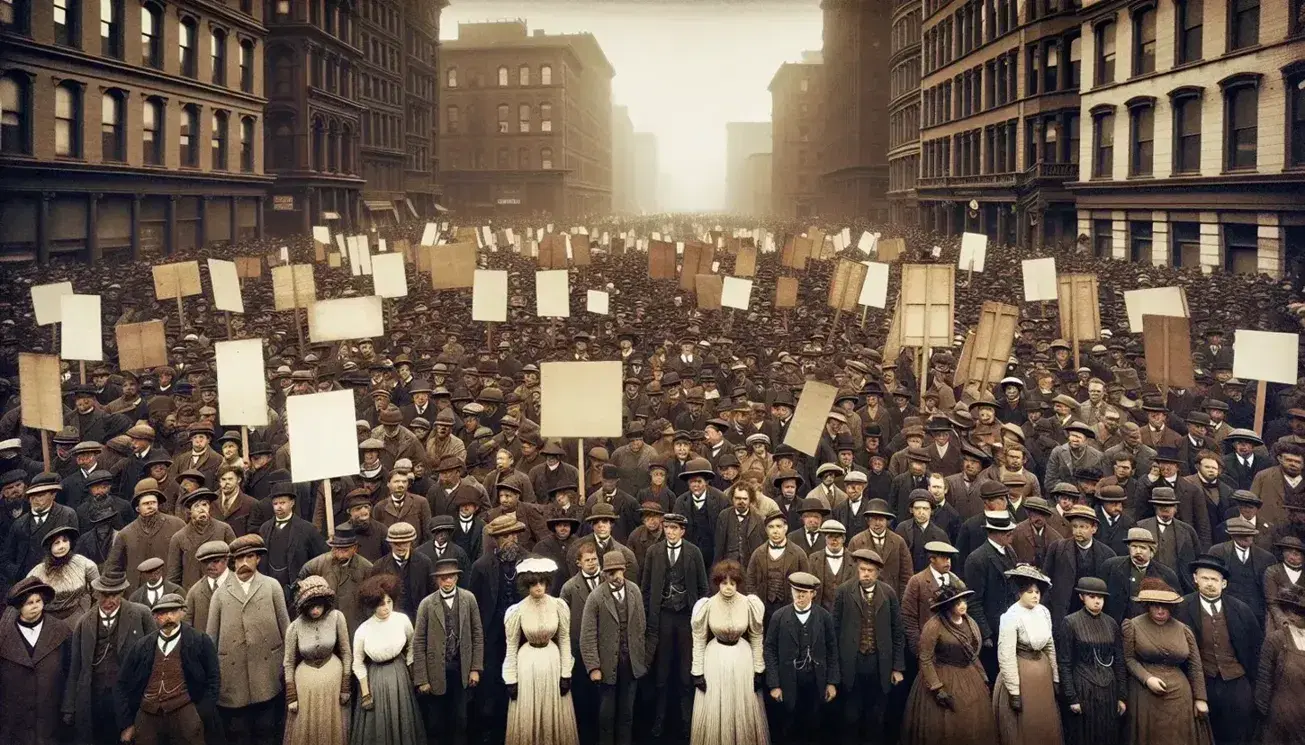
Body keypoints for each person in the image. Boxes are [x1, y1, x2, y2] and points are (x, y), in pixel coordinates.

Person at [207, 534, 291, 745]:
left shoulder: (272, 586)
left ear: (258, 559)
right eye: (239, 558)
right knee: (238, 733)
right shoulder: (220, 594)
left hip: (268, 675)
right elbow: (211, 638)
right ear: (233, 562)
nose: (244, 563)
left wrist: (286, 666)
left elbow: (287, 630)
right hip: (232, 678)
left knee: (267, 731)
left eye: (250, 557)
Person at [62, 570, 156, 745]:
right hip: (94, 699)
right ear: (96, 594)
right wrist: (69, 707)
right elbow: (75, 667)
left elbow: (155, 659)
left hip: (129, 698)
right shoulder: (84, 622)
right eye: (104, 595)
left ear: (122, 592)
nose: (109, 601)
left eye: (114, 594)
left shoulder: (141, 615)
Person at [1175, 554, 1261, 745]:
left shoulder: (1242, 610)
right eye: (1205, 578)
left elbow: (1256, 650)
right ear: (1195, 579)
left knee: (1238, 735)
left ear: (1224, 584)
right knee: (1203, 735)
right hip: (1202, 683)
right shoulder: (1181, 608)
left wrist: (1251, 685)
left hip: (1237, 683)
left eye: (1215, 579)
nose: (1210, 584)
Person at [115, 593, 222, 745]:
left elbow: (214, 679)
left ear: (182, 613)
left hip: (185, 712)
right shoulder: (142, 646)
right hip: (147, 715)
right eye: (162, 613)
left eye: (173, 612)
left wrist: (199, 714)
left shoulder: (199, 641)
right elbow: (122, 683)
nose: (168, 617)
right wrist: (127, 722)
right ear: (155, 617)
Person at [640, 511, 709, 741]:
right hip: (662, 619)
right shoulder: (653, 552)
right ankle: (659, 721)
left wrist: (697, 618)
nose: (669, 531)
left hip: (686, 620)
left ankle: (688, 722)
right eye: (667, 527)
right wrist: (651, 618)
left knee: (685, 671)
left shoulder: (694, 553)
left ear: (682, 531)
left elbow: (702, 590)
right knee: (661, 672)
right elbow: (646, 588)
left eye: (674, 528)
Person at [901, 584, 996, 745]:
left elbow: (972, 654)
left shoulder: (969, 622)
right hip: (942, 673)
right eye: (957, 602)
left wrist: (983, 676)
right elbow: (925, 658)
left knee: (973, 717)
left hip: (968, 674)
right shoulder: (934, 625)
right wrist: (937, 687)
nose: (963, 605)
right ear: (947, 605)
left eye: (964, 601)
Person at [689, 558, 769, 745]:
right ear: (718, 583)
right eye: (724, 583)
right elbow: (699, 639)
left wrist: (758, 669)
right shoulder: (707, 605)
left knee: (741, 708)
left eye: (733, 583)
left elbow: (757, 637)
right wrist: (698, 672)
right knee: (718, 708)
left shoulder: (749, 603)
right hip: (715, 659)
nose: (728, 588)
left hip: (742, 659)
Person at [1121, 578, 1209, 745]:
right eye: (1155, 605)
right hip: (1145, 693)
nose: (1160, 610)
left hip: (1179, 696)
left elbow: (1195, 666)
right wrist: (1147, 679)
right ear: (1147, 605)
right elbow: (1129, 659)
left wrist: (1200, 699)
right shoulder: (1132, 626)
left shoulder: (1183, 630)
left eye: (1165, 606)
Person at [503, 556, 579, 745]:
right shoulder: (517, 611)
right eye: (534, 583)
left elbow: (563, 638)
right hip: (528, 665)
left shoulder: (558, 605)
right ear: (526, 585)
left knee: (553, 713)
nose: (538, 587)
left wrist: (566, 673)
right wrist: (511, 678)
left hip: (552, 661)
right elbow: (511, 646)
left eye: (542, 582)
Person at [762, 571, 839, 745]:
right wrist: (774, 684)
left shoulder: (824, 617)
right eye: (796, 592)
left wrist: (832, 682)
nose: (800, 596)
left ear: (813, 594)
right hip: (788, 683)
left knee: (814, 728)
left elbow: (832, 650)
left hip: (815, 682)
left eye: (804, 593)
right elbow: (770, 650)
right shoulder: (779, 617)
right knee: (789, 729)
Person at [413, 558, 484, 745]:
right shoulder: (427, 604)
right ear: (437, 580)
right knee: (436, 722)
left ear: (457, 578)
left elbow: (478, 634)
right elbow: (418, 642)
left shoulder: (469, 599)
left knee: (461, 720)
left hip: (461, 669)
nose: (447, 581)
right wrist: (422, 679)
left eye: (451, 577)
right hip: (436, 671)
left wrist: (475, 668)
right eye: (442, 578)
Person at [350, 573, 426, 745]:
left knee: (403, 721)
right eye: (381, 604)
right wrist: (366, 692)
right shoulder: (363, 630)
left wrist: (411, 671)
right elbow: (358, 662)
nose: (386, 608)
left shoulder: (402, 620)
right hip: (376, 679)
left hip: (400, 676)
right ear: (372, 605)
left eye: (389, 602)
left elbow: (412, 645)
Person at [580, 550, 648, 745]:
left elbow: (641, 626)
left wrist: (640, 658)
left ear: (624, 570)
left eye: (618, 571)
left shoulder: (634, 591)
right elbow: (587, 635)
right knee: (606, 715)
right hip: (607, 665)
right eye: (610, 572)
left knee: (627, 714)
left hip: (631, 663)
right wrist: (594, 667)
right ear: (604, 574)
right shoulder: (596, 597)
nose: (615, 576)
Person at [992, 564, 1062, 745]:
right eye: (1030, 592)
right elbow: (1005, 655)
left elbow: (1050, 645)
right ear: (1020, 593)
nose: (1035, 596)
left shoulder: (1044, 612)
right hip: (1021, 674)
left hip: (1042, 675)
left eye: (1037, 592)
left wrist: (1055, 677)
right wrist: (1014, 691)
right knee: (1025, 724)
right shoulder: (1011, 616)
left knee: (1043, 720)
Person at [0, 577, 72, 745]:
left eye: (38, 601)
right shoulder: (3, 636)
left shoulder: (62, 632)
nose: (35, 606)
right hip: (13, 723)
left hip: (50, 721)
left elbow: (71, 672)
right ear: (19, 607)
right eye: (29, 603)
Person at [1055, 576, 1126, 745]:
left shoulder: (1111, 624)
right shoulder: (1070, 622)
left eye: (1100, 597)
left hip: (1109, 689)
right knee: (1084, 735)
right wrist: (1072, 697)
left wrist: (1122, 696)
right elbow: (1064, 663)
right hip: (1083, 688)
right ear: (1081, 597)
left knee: (1108, 734)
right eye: (1092, 597)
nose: (1097, 602)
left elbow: (1119, 661)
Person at [283, 575, 352, 745]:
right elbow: (289, 662)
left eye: (318, 605)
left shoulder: (337, 617)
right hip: (306, 685)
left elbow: (346, 652)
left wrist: (345, 686)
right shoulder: (295, 626)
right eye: (311, 607)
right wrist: (292, 696)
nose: (315, 611)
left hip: (333, 682)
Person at [1254, 585, 1305, 745]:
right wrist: (1262, 710)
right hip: (1281, 715)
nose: (1292, 616)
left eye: (1298, 612)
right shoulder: (1275, 640)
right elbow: (1264, 679)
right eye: (1289, 610)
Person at [26, 523, 99, 621]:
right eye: (56, 543)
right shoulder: (37, 572)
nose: (62, 546)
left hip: (76, 616)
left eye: (65, 541)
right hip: (47, 619)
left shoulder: (84, 564)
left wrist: (92, 615)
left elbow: (98, 592)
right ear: (49, 547)